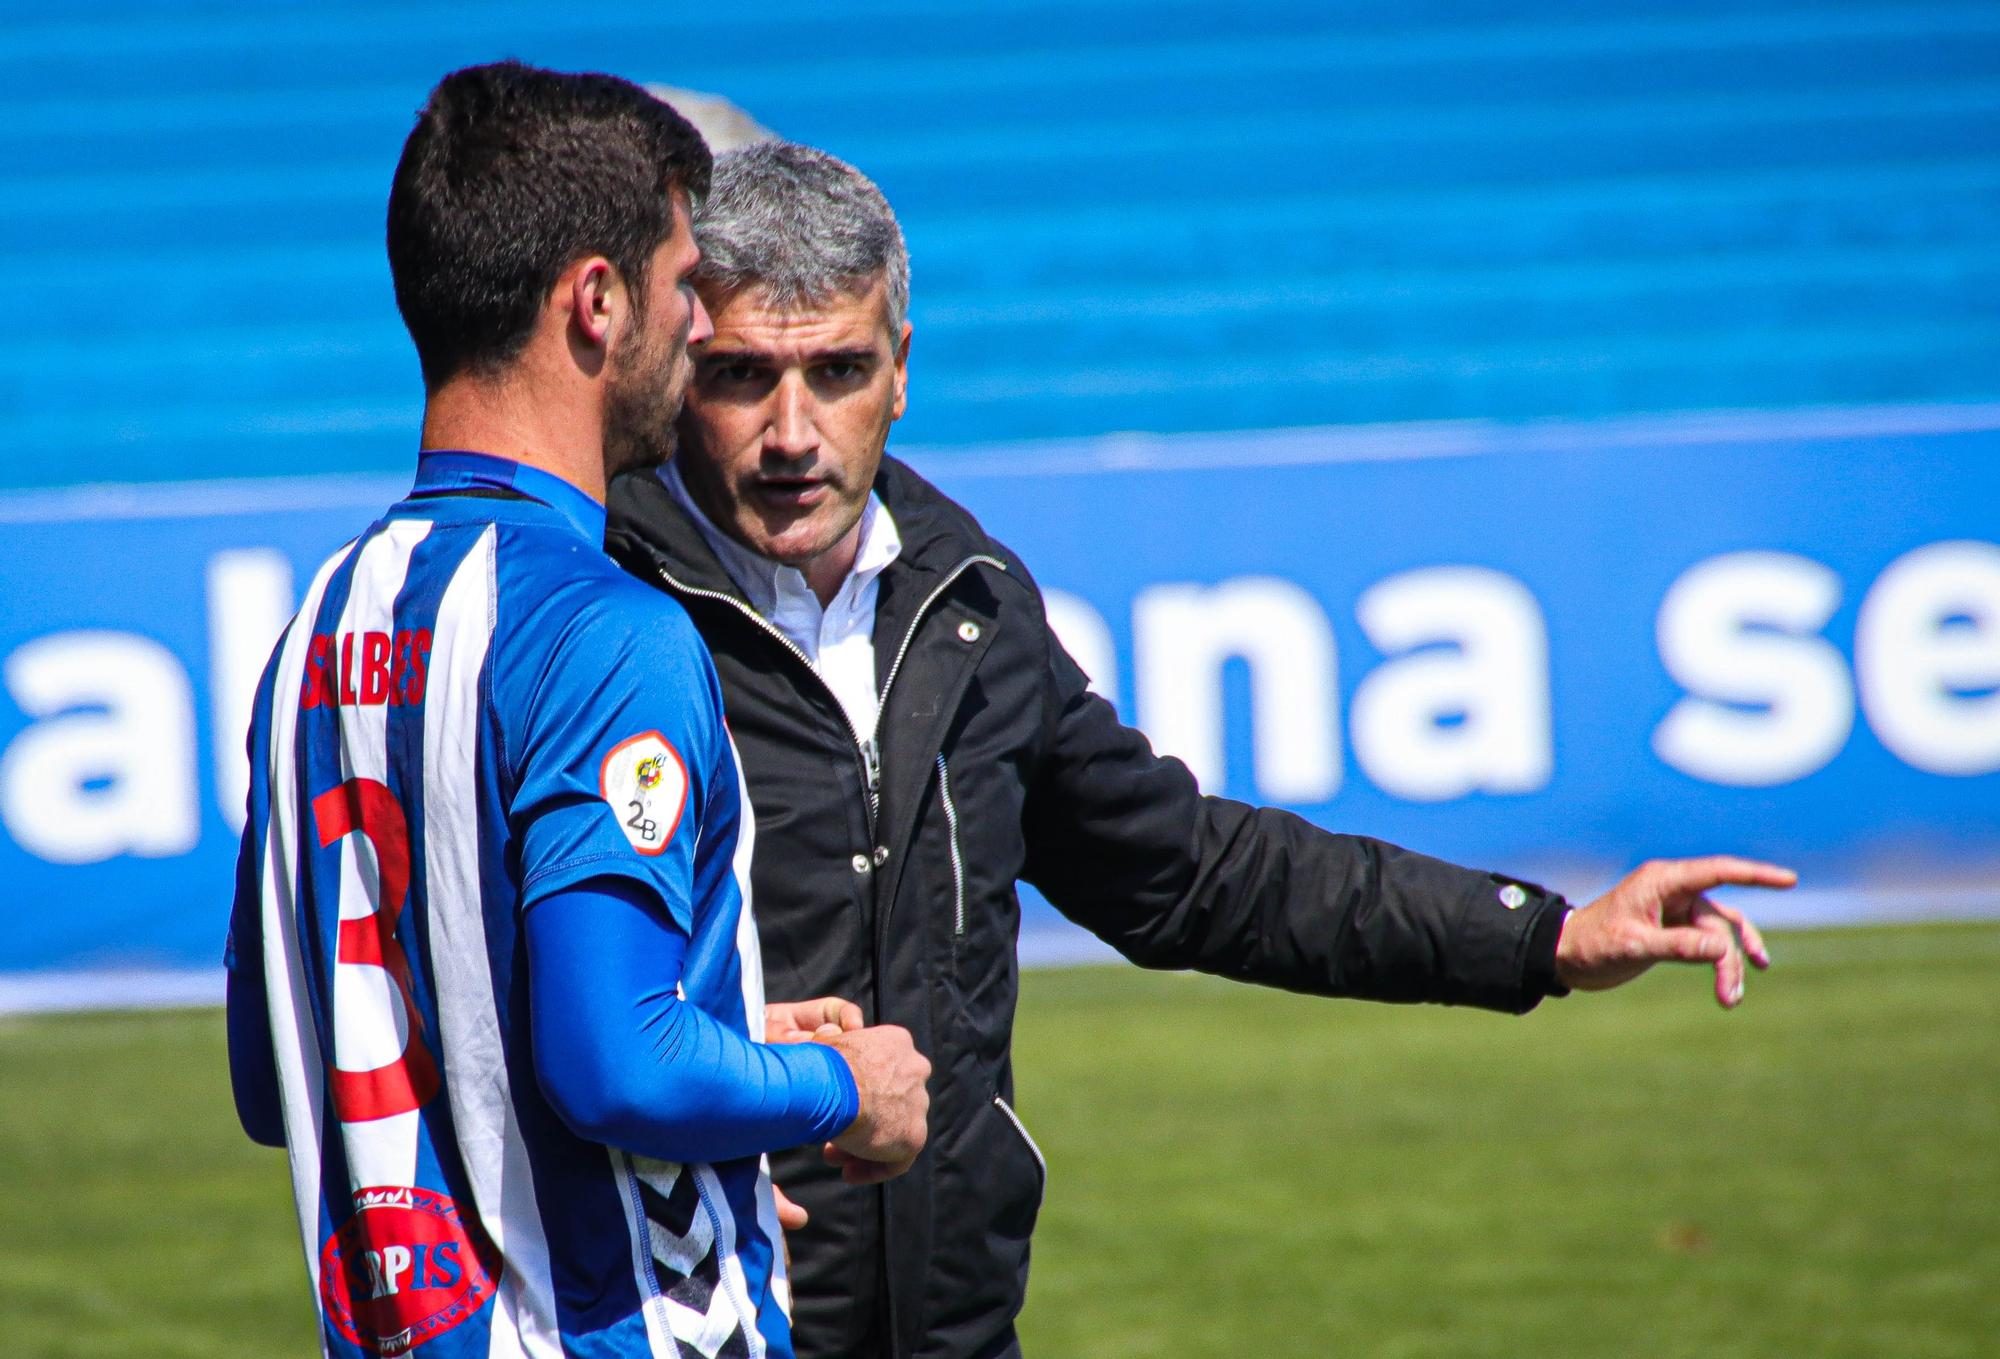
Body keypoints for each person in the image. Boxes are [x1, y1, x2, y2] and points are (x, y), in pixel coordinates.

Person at [604, 142, 1792, 1359]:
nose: (792, 432)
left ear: (900, 372)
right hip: (690, 1320)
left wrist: (1541, 936)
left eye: (837, 371)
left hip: (950, 1329)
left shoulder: (969, 603)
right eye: (744, 375)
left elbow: (1192, 872)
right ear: (677, 367)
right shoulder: (598, 609)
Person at [224, 68, 931, 1359]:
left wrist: (720, 1035)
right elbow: (619, 1065)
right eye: (682, 285)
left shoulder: (314, 631)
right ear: (597, 303)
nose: (696, 319)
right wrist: (842, 1088)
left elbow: (282, 1075)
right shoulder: (609, 632)